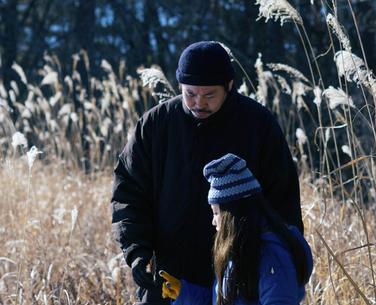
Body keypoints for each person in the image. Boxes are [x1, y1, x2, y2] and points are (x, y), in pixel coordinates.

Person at [111, 41, 303, 305]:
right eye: (190, 93)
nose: (199, 103)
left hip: (238, 273)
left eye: (210, 95)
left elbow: (283, 203)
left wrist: (276, 260)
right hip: (168, 276)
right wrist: (137, 252)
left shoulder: (258, 125)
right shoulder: (156, 125)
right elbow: (128, 195)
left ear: (229, 86)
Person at [158, 153, 313, 305]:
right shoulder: (241, 251)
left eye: (216, 212)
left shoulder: (271, 257)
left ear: (231, 214)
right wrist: (185, 294)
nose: (213, 221)